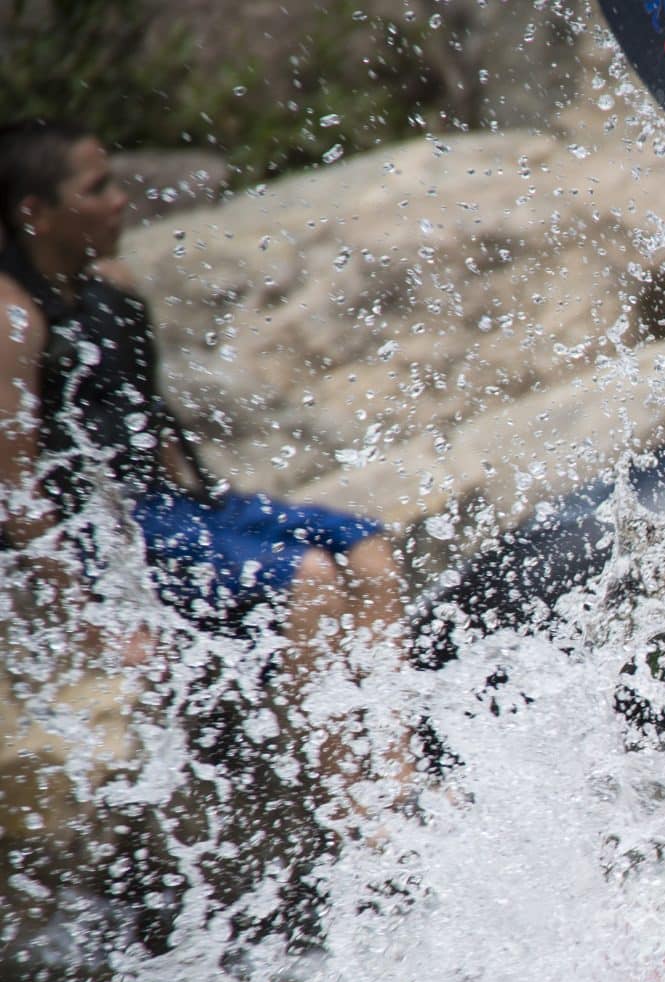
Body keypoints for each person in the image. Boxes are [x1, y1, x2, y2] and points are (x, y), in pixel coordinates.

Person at [0, 119, 413, 806]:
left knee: (368, 549)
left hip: (173, 509)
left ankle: (396, 777)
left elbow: (144, 415)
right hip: (104, 538)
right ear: (34, 212)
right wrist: (86, 618)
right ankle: (352, 809)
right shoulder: (14, 319)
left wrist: (223, 511)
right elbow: (13, 488)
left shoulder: (114, 283)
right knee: (310, 578)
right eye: (97, 187)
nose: (121, 199)